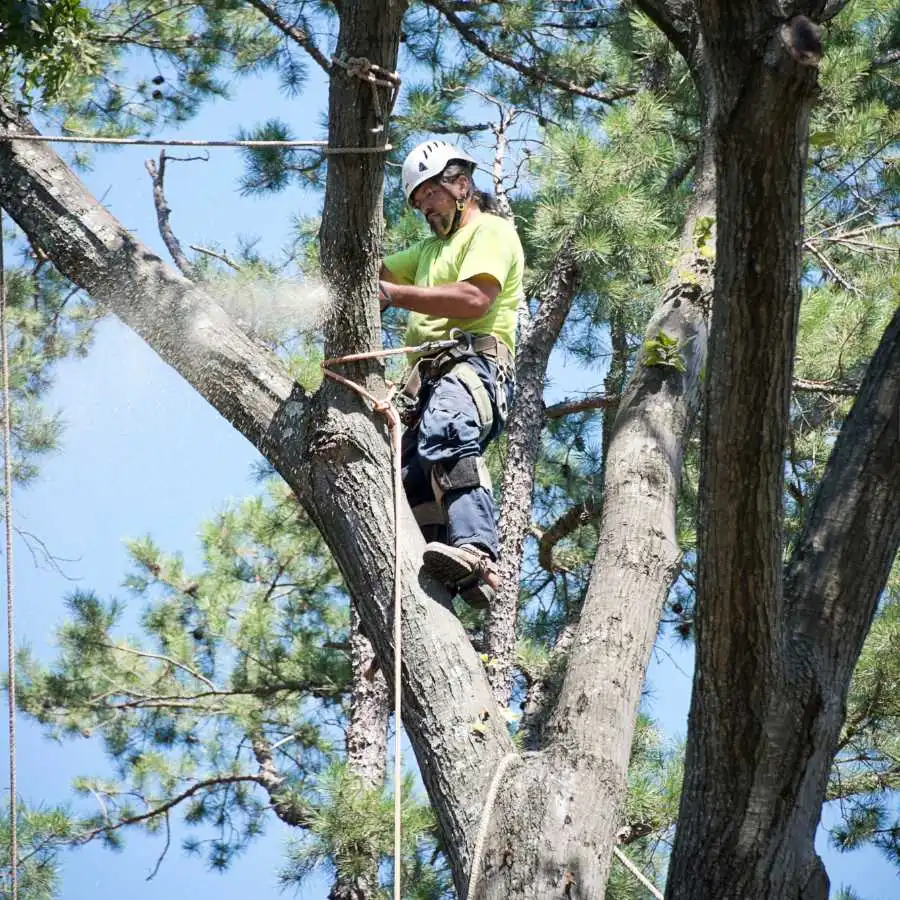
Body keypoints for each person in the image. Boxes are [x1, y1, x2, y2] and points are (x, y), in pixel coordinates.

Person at [379, 139, 525, 609]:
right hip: (423, 388)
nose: (425, 208)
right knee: (409, 479)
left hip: (473, 367)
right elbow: (371, 273)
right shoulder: (424, 253)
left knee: (447, 430)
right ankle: (437, 579)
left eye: (430, 195)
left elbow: (474, 299)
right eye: (418, 203)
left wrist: (396, 296)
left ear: (461, 184)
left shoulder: (492, 232)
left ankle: (477, 550)